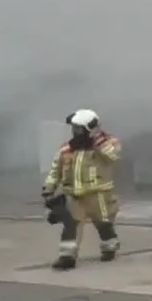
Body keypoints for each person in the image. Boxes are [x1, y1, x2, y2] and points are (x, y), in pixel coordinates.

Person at [40, 109, 123, 271]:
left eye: (79, 129)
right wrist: (48, 189)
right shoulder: (67, 149)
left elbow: (112, 156)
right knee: (71, 225)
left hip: (98, 195)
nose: (75, 133)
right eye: (74, 129)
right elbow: (55, 171)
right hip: (75, 197)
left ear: (89, 129)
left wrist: (97, 142)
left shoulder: (108, 144)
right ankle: (67, 256)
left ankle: (109, 246)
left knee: (103, 224)